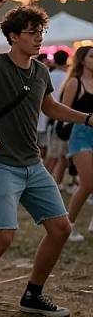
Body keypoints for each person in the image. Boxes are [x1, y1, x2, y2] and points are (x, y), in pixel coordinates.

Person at [0, 0, 93, 317]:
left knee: (61, 229)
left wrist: (86, 119)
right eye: (32, 33)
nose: (38, 39)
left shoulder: (41, 71)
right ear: (14, 36)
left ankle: (33, 294)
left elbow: (50, 108)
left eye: (40, 33)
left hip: (33, 163)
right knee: (2, 236)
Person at [61, 46, 93, 241]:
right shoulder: (75, 82)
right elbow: (62, 111)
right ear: (82, 60)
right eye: (92, 56)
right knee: (88, 183)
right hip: (80, 134)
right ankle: (69, 225)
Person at [44, 50, 70, 184]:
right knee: (60, 157)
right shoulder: (68, 78)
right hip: (63, 119)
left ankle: (48, 182)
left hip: (48, 119)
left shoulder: (48, 75)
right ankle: (54, 183)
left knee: (53, 155)